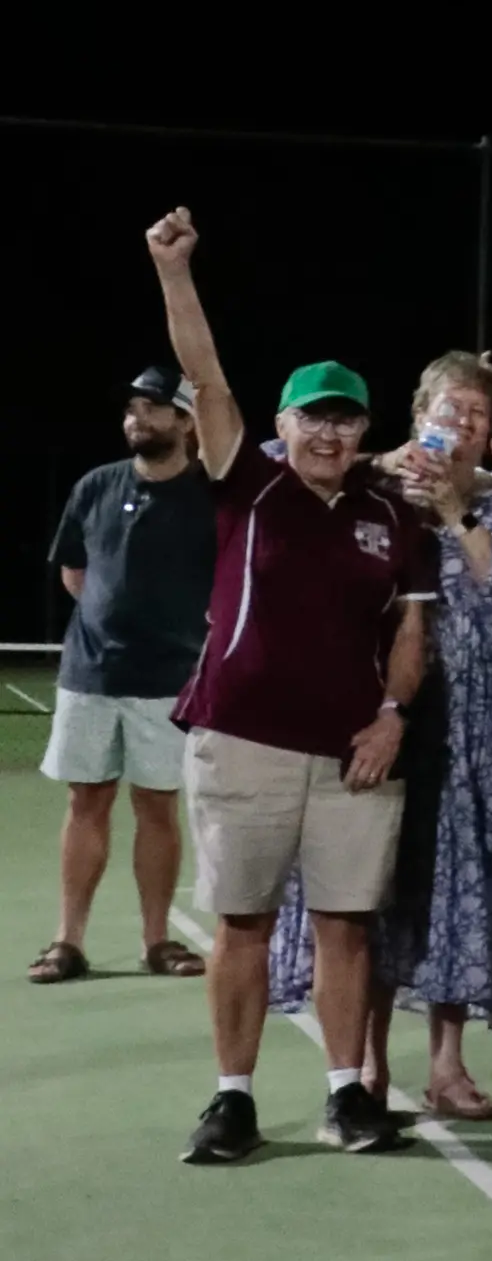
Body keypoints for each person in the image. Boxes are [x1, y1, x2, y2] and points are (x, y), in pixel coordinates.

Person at [143, 209, 439, 1166]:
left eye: (345, 416)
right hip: (244, 740)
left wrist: (394, 716)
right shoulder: (246, 481)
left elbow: (410, 629)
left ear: (364, 430)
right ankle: (232, 1097)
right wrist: (175, 271)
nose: (329, 430)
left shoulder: (391, 517)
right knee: (243, 922)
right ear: (282, 426)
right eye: (312, 415)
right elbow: (205, 376)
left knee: (348, 924)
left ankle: (347, 1092)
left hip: (356, 749)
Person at [267, 353, 492, 1117]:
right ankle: (366, 1067)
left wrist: (460, 512)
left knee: (460, 897)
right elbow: (274, 461)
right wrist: (373, 460)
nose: (460, 425)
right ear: (419, 412)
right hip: (374, 715)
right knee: (369, 889)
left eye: (476, 415)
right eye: (448, 409)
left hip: (479, 728)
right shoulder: (368, 487)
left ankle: (448, 1067)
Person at [34, 366, 216, 986]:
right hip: (89, 676)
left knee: (158, 809)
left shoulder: (211, 495)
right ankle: (68, 942)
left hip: (169, 681)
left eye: (154, 408)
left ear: (187, 422)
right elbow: (75, 573)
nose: (137, 419)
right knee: (86, 801)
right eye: (132, 408)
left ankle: (156, 940)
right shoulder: (96, 486)